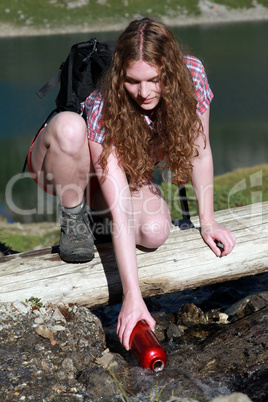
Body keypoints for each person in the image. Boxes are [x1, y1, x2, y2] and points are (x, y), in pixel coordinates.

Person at [28, 17, 236, 350]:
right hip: (61, 164)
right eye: (132, 81)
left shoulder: (193, 74)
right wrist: (132, 297)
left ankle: (98, 218)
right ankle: (73, 217)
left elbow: (200, 151)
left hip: (118, 172)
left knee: (155, 231)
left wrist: (208, 221)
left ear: (170, 69)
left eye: (155, 80)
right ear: (119, 74)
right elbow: (122, 209)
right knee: (70, 128)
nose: (144, 92)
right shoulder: (102, 102)